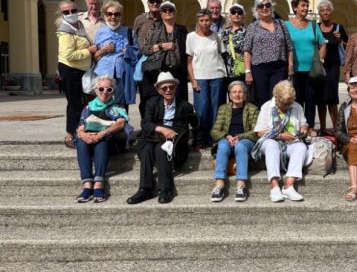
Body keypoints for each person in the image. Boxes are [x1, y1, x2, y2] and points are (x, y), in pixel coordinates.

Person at [127, 72, 199, 204]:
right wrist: (162, 129)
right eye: (164, 88)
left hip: (174, 145)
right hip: (151, 139)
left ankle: (165, 189)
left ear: (175, 88)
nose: (168, 90)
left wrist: (196, 141)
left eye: (171, 87)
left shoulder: (184, 105)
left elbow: (194, 125)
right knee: (148, 148)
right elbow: (145, 123)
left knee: (161, 149)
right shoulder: (152, 103)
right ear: (158, 90)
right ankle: (145, 189)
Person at [74, 75, 132, 203]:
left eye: (109, 89)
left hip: (111, 142)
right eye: (101, 89)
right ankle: (87, 184)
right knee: (80, 141)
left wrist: (102, 133)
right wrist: (85, 135)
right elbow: (80, 127)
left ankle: (99, 183)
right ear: (96, 91)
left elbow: (121, 123)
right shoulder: (88, 107)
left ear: (113, 92)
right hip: (90, 140)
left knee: (102, 140)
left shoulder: (117, 107)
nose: (104, 92)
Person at [56, 0, 105, 148]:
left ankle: (80, 131)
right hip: (70, 70)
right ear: (62, 14)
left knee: (81, 103)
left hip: (80, 70)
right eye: (66, 12)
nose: (71, 14)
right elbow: (69, 54)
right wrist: (88, 51)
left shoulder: (78, 25)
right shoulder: (65, 30)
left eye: (73, 10)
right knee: (74, 103)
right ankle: (70, 136)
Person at [252, 80, 308, 202]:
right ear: (276, 98)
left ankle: (288, 186)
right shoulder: (267, 107)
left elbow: (304, 124)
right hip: (272, 141)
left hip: (291, 142)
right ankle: (275, 186)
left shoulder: (297, 106)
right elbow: (260, 132)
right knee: (271, 145)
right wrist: (280, 136)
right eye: (283, 103)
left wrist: (303, 129)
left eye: (289, 103)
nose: (286, 106)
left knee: (301, 147)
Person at [210, 81, 259, 202]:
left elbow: (256, 132)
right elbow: (214, 131)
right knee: (222, 145)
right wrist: (226, 136)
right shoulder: (223, 109)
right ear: (230, 95)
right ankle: (219, 184)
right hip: (227, 139)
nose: (237, 95)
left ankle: (241, 185)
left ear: (245, 94)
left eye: (240, 92)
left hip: (245, 140)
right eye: (234, 92)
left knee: (240, 146)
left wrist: (240, 137)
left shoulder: (252, 108)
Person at [243, 0, 294, 107]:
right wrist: (248, 72)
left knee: (278, 97)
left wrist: (290, 65)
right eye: (261, 6)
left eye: (267, 5)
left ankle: (277, 123)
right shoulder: (253, 27)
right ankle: (264, 123)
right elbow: (247, 50)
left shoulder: (281, 24)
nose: (265, 8)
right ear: (256, 9)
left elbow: (289, 47)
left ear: (272, 7)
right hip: (259, 68)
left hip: (279, 68)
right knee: (262, 98)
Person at [285, 0, 326, 136]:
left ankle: (309, 127)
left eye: (306, 5)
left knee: (310, 100)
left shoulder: (313, 25)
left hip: (311, 71)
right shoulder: (286, 25)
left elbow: (322, 44)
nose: (305, 8)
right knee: (295, 100)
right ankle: (296, 126)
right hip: (294, 70)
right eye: (302, 5)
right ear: (295, 8)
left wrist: (320, 61)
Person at [187, 8, 227, 150]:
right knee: (202, 109)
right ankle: (200, 140)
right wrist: (192, 80)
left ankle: (214, 139)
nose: (205, 23)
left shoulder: (216, 35)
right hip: (200, 77)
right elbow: (189, 62)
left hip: (217, 75)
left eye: (207, 20)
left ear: (211, 21)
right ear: (198, 21)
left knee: (216, 109)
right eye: (202, 20)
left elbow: (222, 55)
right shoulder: (191, 37)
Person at [141, 1, 188, 106]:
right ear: (161, 13)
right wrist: (161, 46)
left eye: (170, 10)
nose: (167, 12)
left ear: (175, 13)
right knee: (159, 103)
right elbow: (145, 49)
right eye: (164, 10)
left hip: (178, 71)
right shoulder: (154, 28)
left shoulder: (182, 30)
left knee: (179, 102)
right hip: (158, 70)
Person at [93, 0, 139, 108]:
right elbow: (94, 57)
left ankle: (121, 125)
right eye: (110, 14)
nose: (113, 17)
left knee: (121, 106)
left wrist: (128, 52)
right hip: (103, 74)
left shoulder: (129, 32)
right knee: (103, 105)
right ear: (105, 15)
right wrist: (104, 50)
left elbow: (137, 53)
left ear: (121, 16)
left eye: (116, 14)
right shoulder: (100, 33)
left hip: (122, 75)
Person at [317, 0, 348, 131]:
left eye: (327, 10)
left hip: (333, 68)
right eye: (322, 10)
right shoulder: (315, 27)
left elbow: (349, 45)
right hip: (319, 67)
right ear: (319, 12)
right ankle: (323, 128)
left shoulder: (338, 27)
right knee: (321, 99)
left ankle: (336, 129)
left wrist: (340, 39)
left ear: (331, 12)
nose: (325, 12)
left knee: (332, 98)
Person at [133, 0, 163, 118]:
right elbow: (133, 39)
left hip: (161, 64)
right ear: (148, 3)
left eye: (157, 1)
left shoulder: (165, 18)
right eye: (152, 1)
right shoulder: (140, 19)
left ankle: (158, 126)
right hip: (144, 64)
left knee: (160, 96)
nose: (155, 3)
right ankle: (146, 126)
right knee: (145, 98)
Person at [221, 3, 247, 85]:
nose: (236, 14)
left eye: (239, 12)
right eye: (233, 12)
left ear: (243, 16)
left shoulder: (248, 31)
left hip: (244, 71)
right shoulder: (225, 32)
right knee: (232, 95)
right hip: (229, 71)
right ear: (230, 16)